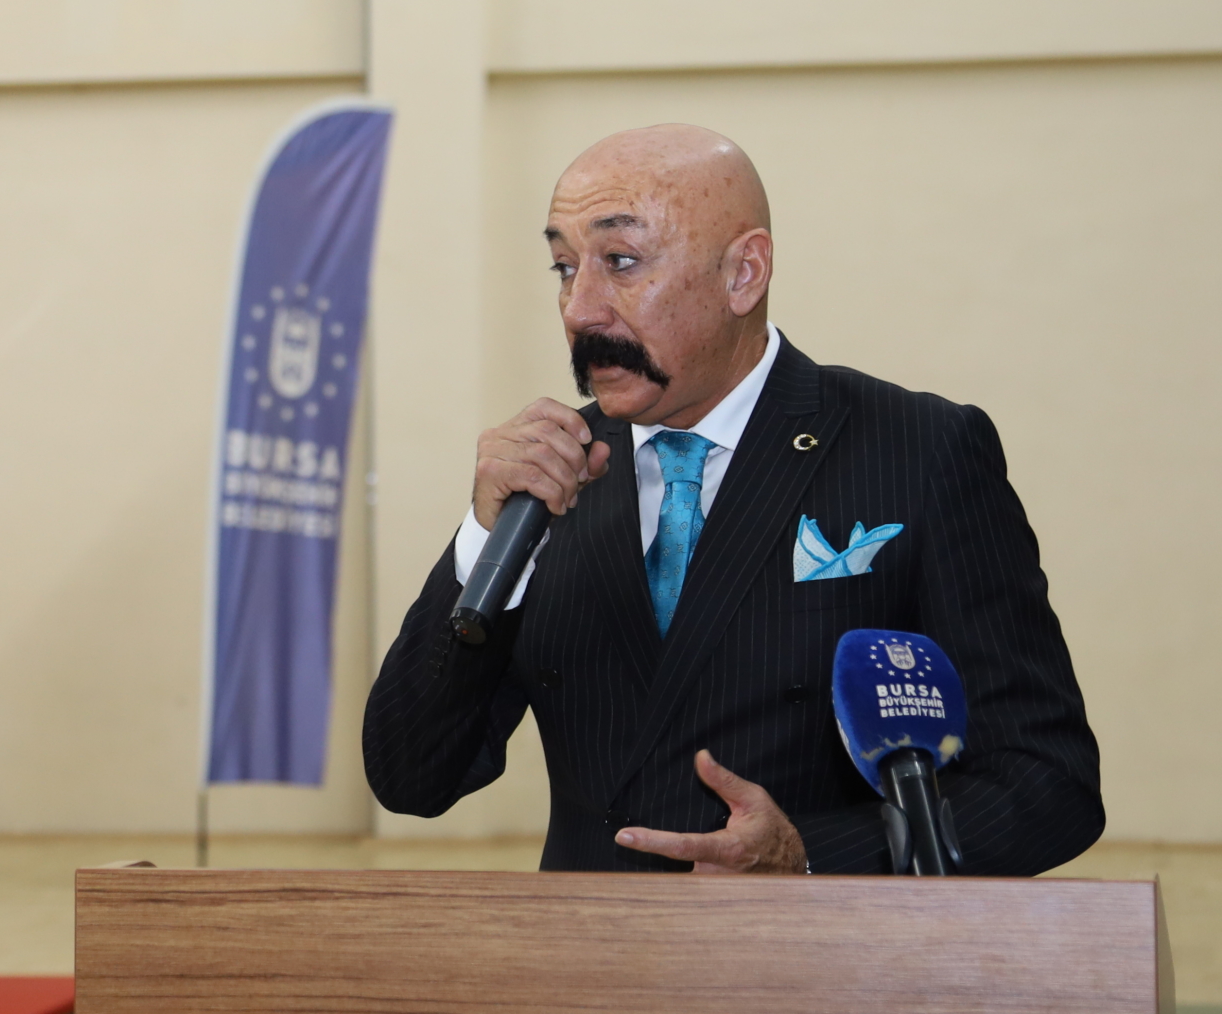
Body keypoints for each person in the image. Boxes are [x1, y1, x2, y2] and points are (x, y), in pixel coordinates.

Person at [363, 124, 1102, 876]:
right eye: (564, 267)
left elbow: (1048, 781)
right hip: (588, 945)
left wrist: (807, 856)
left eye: (621, 261)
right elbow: (411, 775)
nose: (579, 309)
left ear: (743, 274)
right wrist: (481, 540)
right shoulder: (552, 479)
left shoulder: (917, 451)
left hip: (816, 948)